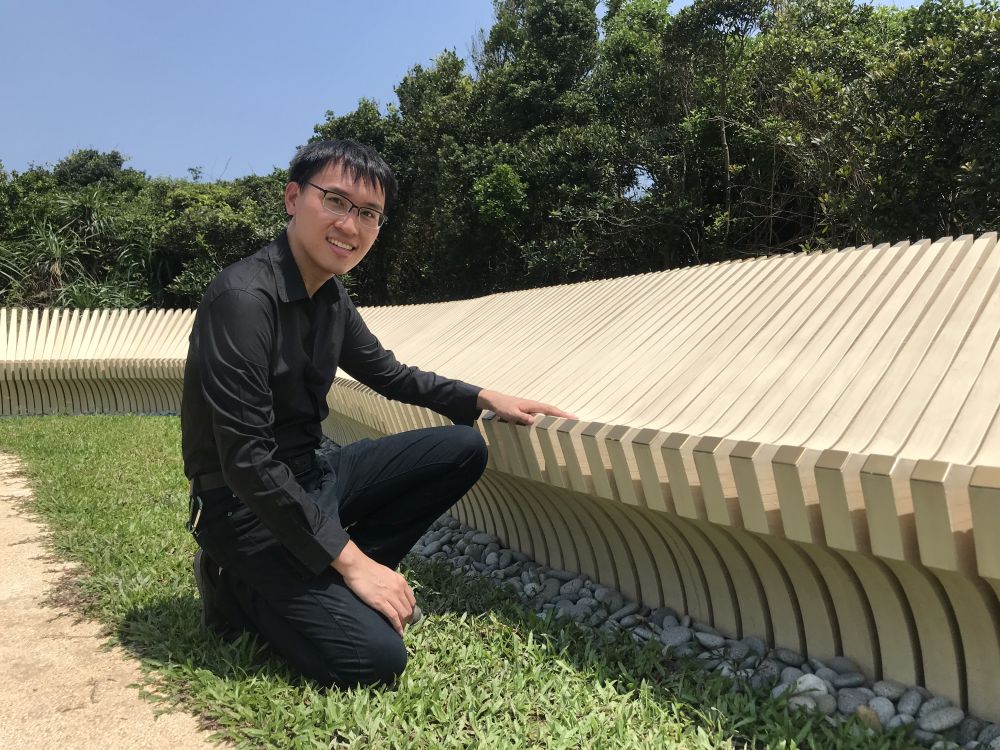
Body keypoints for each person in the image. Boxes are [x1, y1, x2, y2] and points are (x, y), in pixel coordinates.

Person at [181, 139, 573, 688]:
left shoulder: (330, 297)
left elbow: (388, 373)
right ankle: (234, 584)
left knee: (460, 448)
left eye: (369, 213)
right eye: (335, 201)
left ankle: (332, 581)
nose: (351, 224)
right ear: (293, 198)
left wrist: (483, 397)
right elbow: (246, 460)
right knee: (373, 659)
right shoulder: (243, 300)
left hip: (312, 476)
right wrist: (353, 562)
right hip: (242, 507)